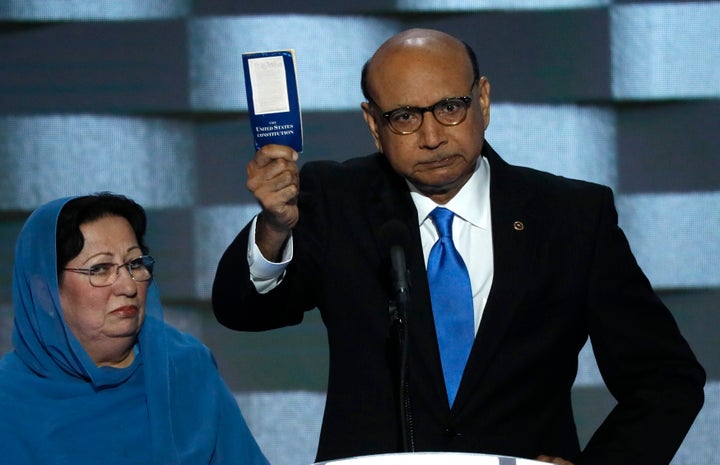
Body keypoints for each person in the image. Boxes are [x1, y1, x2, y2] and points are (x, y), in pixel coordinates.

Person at [212, 29, 705, 465]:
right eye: (404, 116)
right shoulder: (336, 199)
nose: (431, 137)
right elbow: (242, 309)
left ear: (483, 100)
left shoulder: (571, 215)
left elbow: (665, 379)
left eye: (450, 107)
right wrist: (275, 228)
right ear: (373, 124)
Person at [0, 193, 269, 465]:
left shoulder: (185, 367)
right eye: (101, 269)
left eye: (135, 264)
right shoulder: (7, 400)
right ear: (44, 292)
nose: (128, 287)